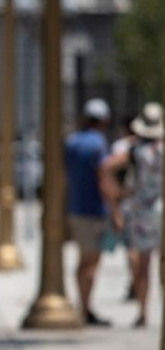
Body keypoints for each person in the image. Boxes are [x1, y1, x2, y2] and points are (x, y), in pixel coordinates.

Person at [101, 102, 164, 328]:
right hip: (160, 207)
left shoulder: (135, 151)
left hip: (142, 209)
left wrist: (117, 198)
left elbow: (107, 167)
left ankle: (143, 311)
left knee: (143, 265)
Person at [65, 98, 112, 327]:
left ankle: (82, 305)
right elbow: (103, 178)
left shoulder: (73, 142)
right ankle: (85, 308)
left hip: (75, 208)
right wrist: (115, 208)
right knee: (92, 263)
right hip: (94, 210)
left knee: (82, 261)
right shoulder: (99, 144)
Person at [109, 116, 138, 302]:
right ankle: (140, 284)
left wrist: (115, 197)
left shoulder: (123, 147)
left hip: (129, 203)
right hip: (153, 205)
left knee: (132, 249)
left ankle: (136, 283)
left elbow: (107, 168)